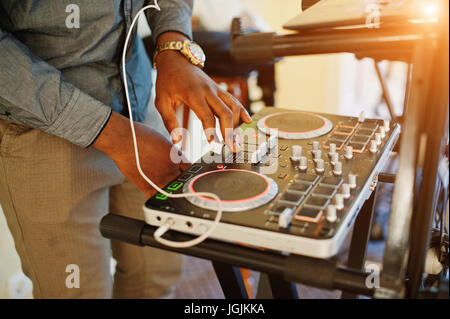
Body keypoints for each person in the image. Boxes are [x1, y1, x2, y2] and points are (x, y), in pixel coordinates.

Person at [0, 0, 251, 298]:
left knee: (157, 277)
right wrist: (117, 138)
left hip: (140, 101)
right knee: (78, 291)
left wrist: (175, 47)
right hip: (44, 126)